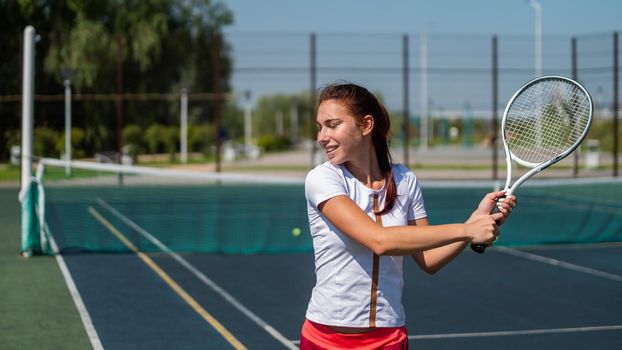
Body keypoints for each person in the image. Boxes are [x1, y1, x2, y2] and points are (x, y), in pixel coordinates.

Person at [300, 82, 516, 350]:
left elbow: (429, 260)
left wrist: (474, 220)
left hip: (388, 338)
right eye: (320, 126)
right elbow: (379, 240)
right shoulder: (321, 178)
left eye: (332, 125)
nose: (322, 136)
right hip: (326, 339)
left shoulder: (404, 179)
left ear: (366, 125)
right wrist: (466, 230)